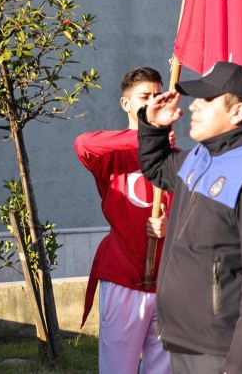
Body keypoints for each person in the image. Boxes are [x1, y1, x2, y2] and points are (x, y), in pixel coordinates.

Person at [137, 61, 242, 374]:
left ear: (236, 113)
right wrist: (153, 127)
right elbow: (156, 168)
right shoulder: (201, 156)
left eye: (207, 99)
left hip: (220, 350)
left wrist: (240, 364)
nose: (194, 105)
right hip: (183, 340)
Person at [74, 66, 173, 374]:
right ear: (126, 104)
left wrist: (171, 226)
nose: (153, 102)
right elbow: (83, 144)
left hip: (169, 283)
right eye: (145, 97)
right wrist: (146, 136)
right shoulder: (109, 155)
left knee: (163, 369)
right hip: (123, 278)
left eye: (159, 96)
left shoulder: (177, 157)